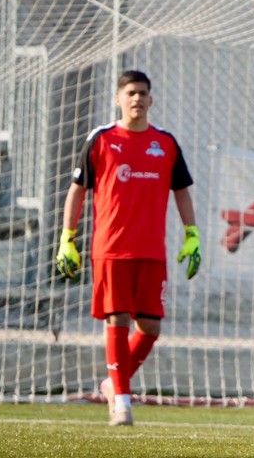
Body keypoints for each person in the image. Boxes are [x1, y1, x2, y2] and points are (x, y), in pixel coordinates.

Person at [55, 70, 201, 426]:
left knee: (150, 328)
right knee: (117, 318)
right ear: (118, 99)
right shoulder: (101, 139)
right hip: (111, 248)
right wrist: (66, 238)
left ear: (151, 100)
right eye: (131, 92)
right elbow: (78, 190)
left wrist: (192, 233)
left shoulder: (165, 143)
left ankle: (111, 382)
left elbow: (180, 190)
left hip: (152, 250)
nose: (137, 99)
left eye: (143, 93)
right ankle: (122, 400)